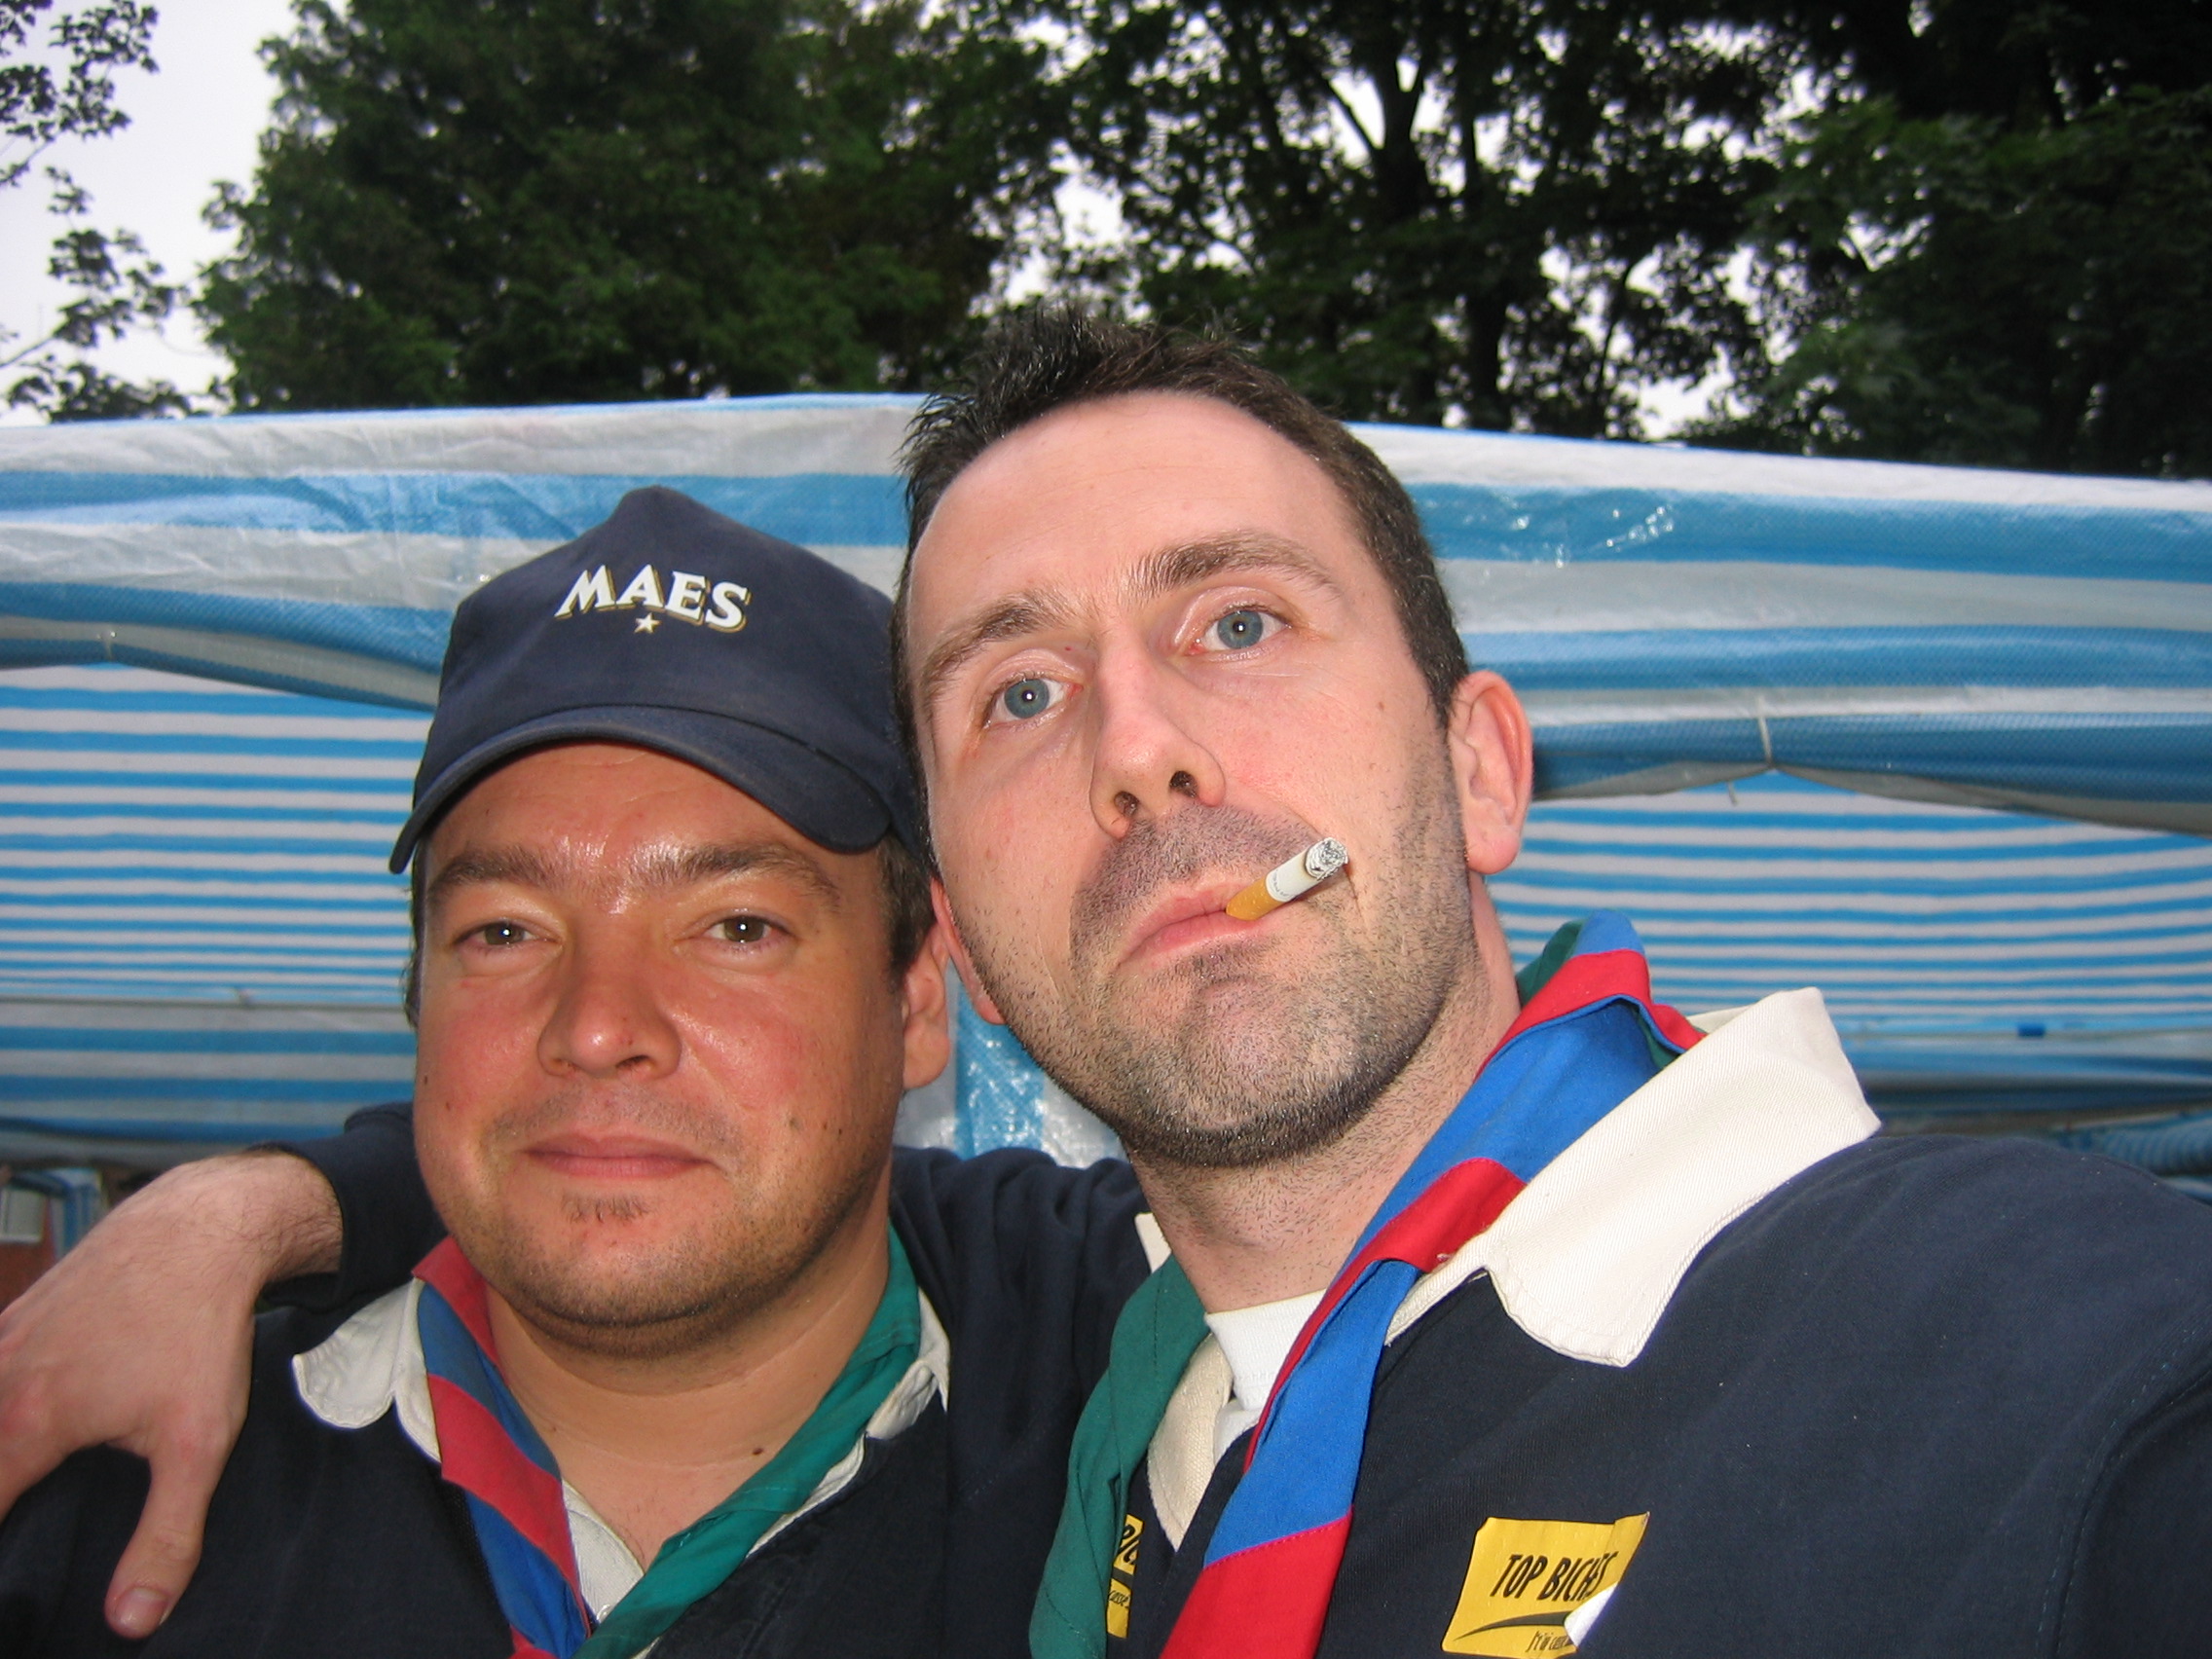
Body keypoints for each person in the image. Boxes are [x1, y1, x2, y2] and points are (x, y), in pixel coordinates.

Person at [8, 310, 2212, 1659]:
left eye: (1236, 622)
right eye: (1020, 691)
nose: (1140, 749)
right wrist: (258, 1208)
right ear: (975, 948)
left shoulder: (2045, 1353)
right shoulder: (1129, 1403)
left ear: (1481, 765)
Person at [0, 485, 1151, 1657]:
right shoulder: (97, 1492)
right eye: (504, 932)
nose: (596, 1028)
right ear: (417, 997)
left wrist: (258, 1205)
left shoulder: (1141, 1383)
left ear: (913, 1000)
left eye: (736, 928)